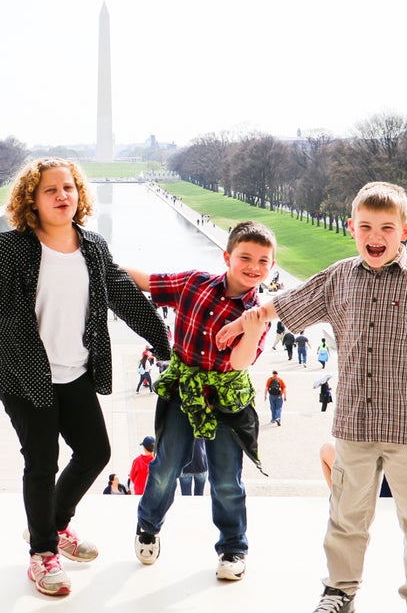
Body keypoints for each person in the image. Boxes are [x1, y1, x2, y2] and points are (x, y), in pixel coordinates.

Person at [216, 181, 407, 613]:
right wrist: (249, 318)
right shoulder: (338, 277)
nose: (376, 237)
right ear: (351, 227)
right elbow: (285, 304)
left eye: (386, 228)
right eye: (366, 227)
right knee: (346, 519)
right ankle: (340, 590)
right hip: (354, 422)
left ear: (405, 231)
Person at [0, 157, 170, 597]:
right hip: (22, 371)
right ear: (31, 199)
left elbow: (126, 298)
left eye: (69, 188)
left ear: (80, 195)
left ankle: (52, 526)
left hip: (74, 370)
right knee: (42, 460)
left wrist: (165, 344)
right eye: (51, 189)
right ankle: (42, 554)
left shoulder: (93, 246)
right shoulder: (6, 247)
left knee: (95, 452)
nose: (62, 196)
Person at [125, 220, 276, 582]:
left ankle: (233, 548)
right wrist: (99, 261)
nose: (254, 267)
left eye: (263, 261)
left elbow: (239, 363)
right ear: (227, 257)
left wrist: (252, 326)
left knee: (226, 478)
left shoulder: (260, 312)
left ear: (272, 267)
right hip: (184, 390)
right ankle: (148, 526)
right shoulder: (193, 283)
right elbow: (146, 280)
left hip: (225, 397)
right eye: (245, 257)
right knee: (165, 467)